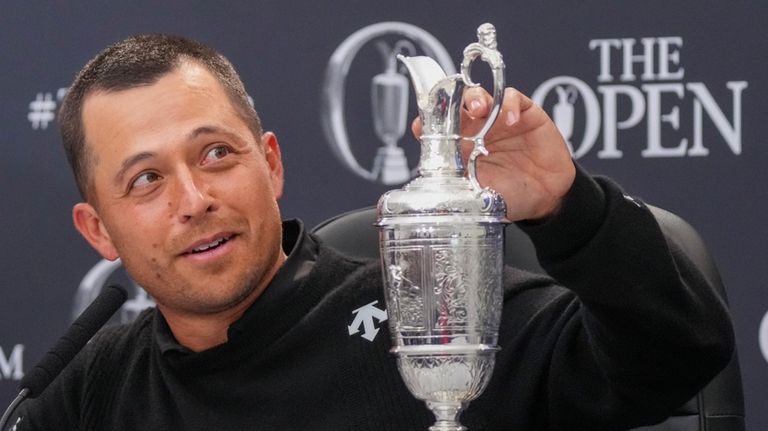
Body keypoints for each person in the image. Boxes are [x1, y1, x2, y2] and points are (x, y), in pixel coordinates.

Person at [12, 33, 733, 430]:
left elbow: (675, 354)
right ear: (98, 230)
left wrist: (569, 206)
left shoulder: (428, 317)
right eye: (147, 180)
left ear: (271, 164)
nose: (194, 198)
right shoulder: (93, 388)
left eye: (216, 154)